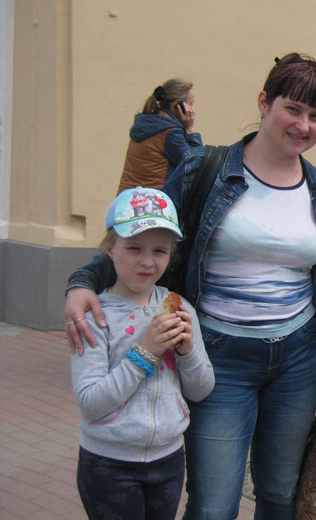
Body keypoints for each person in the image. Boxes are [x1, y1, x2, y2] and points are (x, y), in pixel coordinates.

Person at [64, 53, 316, 519]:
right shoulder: (205, 169)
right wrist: (83, 280)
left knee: (280, 492)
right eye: (293, 109)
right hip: (220, 356)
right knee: (214, 504)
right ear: (264, 102)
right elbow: (142, 236)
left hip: (299, 358)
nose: (303, 125)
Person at [71, 187, 214, 520]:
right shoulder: (95, 317)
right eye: (134, 248)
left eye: (160, 251)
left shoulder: (180, 309)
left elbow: (201, 390)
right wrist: (146, 352)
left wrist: (187, 352)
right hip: (109, 464)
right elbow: (91, 402)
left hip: (168, 459)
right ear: (110, 248)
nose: (148, 261)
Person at [116, 78, 203, 193]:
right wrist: (190, 129)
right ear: (178, 105)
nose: (192, 110)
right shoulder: (170, 132)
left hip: (127, 197)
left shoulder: (148, 123)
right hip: (152, 200)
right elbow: (196, 165)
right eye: (190, 104)